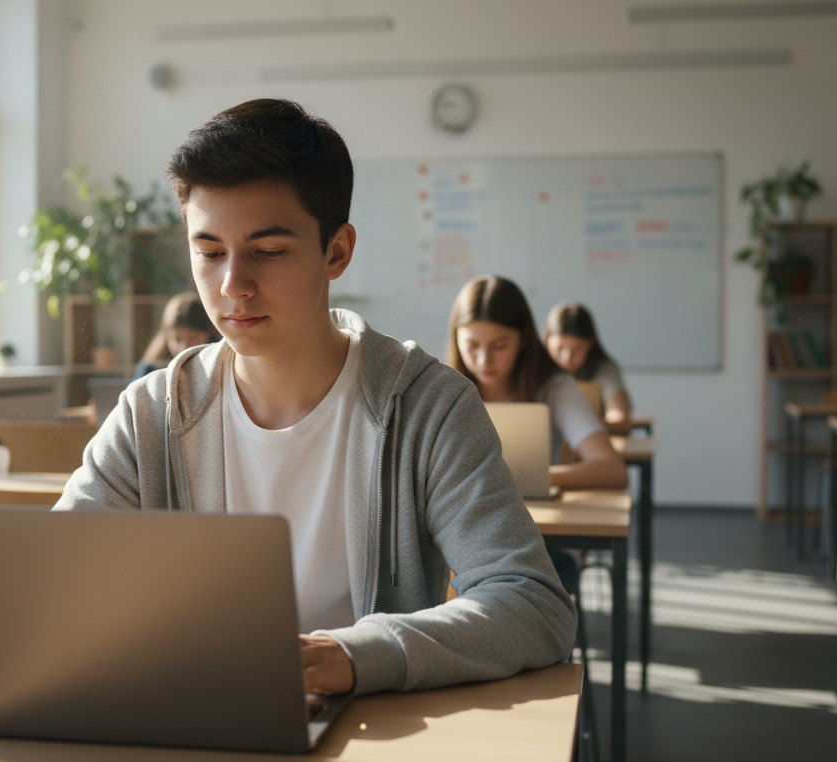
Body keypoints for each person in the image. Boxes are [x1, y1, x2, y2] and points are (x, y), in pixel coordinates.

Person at [56, 99, 575, 699]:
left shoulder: (429, 406)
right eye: (210, 251)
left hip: (363, 730)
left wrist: (354, 655)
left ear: (337, 251)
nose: (232, 287)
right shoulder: (153, 411)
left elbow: (533, 604)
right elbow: (58, 584)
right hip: (190, 719)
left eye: (268, 251)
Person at [447, 277, 628, 492]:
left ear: (524, 338)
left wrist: (528, 479)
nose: (484, 360)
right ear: (456, 339)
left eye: (499, 345)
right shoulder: (443, 389)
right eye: (472, 345)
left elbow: (612, 469)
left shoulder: (553, 387)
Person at [545, 302, 632, 430]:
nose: (567, 358)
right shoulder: (535, 368)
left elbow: (620, 419)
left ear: (590, 343)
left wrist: (580, 426)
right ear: (546, 342)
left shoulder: (603, 369)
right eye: (559, 349)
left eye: (577, 349)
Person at [132, 291, 220, 380]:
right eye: (177, 339)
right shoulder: (150, 372)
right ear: (166, 337)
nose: (184, 348)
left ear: (209, 335)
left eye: (193, 338)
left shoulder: (220, 369)